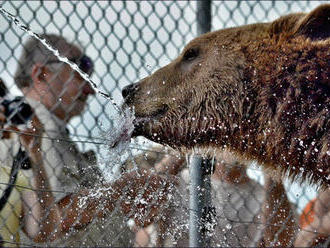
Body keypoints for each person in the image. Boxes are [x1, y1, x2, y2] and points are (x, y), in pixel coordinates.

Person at [0, 34, 135, 246]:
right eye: (79, 72)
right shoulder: (39, 126)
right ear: (42, 74)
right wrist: (125, 190)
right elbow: (58, 216)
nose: (90, 90)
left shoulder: (43, 127)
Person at [133, 150, 297, 247]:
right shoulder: (182, 179)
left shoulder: (265, 196)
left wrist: (270, 165)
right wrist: (185, 144)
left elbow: (282, 241)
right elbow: (141, 210)